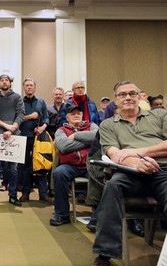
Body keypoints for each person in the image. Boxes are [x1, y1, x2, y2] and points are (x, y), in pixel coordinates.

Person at [92, 81, 167, 266]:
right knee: (112, 186)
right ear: (115, 100)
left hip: (163, 171)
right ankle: (104, 254)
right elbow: (114, 154)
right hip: (130, 172)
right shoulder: (108, 125)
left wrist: (137, 152)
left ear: (140, 96)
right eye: (122, 94)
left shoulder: (159, 115)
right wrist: (139, 163)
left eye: (132, 93)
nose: (128, 97)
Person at [49, 105, 98, 226]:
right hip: (70, 166)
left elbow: (98, 136)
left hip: (90, 165)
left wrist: (76, 136)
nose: (76, 115)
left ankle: (97, 218)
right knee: (59, 173)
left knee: (102, 175)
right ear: (67, 117)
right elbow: (63, 146)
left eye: (79, 113)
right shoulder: (61, 130)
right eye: (73, 114)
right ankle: (62, 214)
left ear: (82, 116)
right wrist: (87, 143)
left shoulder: (91, 126)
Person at [0, 74, 25, 207]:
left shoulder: (17, 97)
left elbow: (21, 114)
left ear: (10, 83)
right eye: (2, 80)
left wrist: (11, 129)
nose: (4, 82)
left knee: (13, 169)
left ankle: (13, 196)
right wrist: (5, 126)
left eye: (6, 80)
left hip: (14, 137)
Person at [18, 78, 51, 203]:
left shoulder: (41, 102)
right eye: (27, 85)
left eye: (31, 85)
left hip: (39, 139)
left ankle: (43, 194)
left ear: (35, 87)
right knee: (25, 167)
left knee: (41, 165)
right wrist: (30, 117)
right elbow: (17, 119)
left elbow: (47, 119)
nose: (29, 87)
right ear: (24, 88)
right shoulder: (19, 101)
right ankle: (25, 193)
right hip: (23, 137)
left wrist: (42, 128)